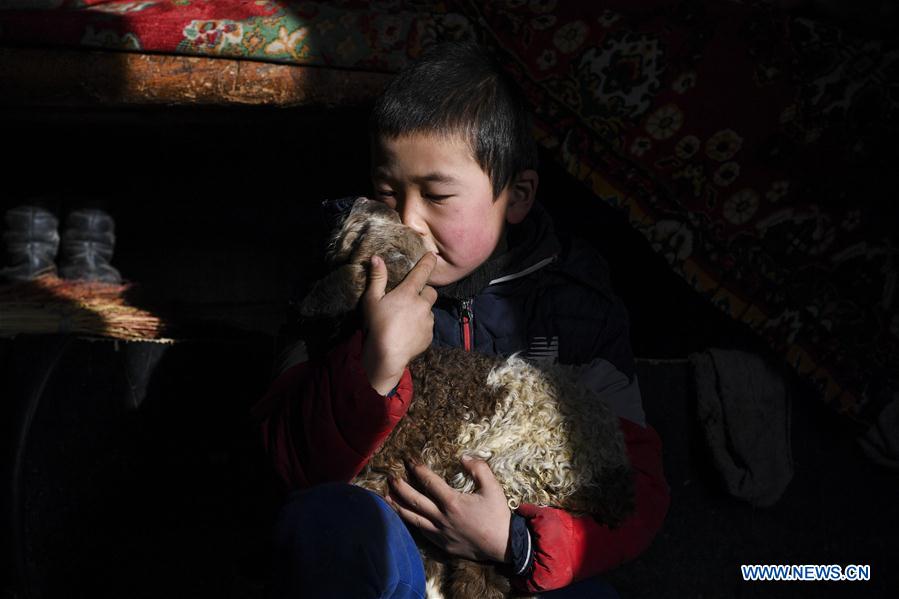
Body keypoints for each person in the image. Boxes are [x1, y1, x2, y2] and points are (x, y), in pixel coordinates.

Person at [251, 40, 669, 598]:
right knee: (326, 523)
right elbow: (288, 463)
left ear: (516, 196)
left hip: (518, 571)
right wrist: (372, 365)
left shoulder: (576, 304)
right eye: (387, 192)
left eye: (437, 195)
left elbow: (635, 489)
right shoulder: (342, 287)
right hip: (400, 568)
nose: (408, 221)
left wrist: (516, 542)